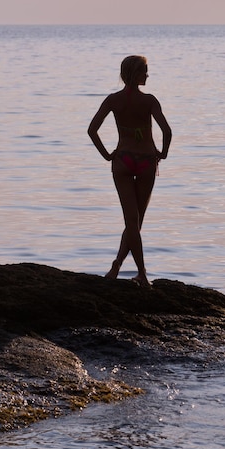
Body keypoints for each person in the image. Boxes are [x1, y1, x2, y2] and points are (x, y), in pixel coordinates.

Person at [88, 55, 172, 286]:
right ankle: (142, 274)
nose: (147, 75)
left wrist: (107, 155)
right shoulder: (150, 101)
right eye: (145, 71)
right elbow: (167, 131)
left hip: (122, 160)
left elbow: (92, 130)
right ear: (135, 74)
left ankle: (116, 266)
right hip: (146, 161)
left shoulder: (113, 100)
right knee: (135, 222)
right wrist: (163, 153)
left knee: (131, 222)